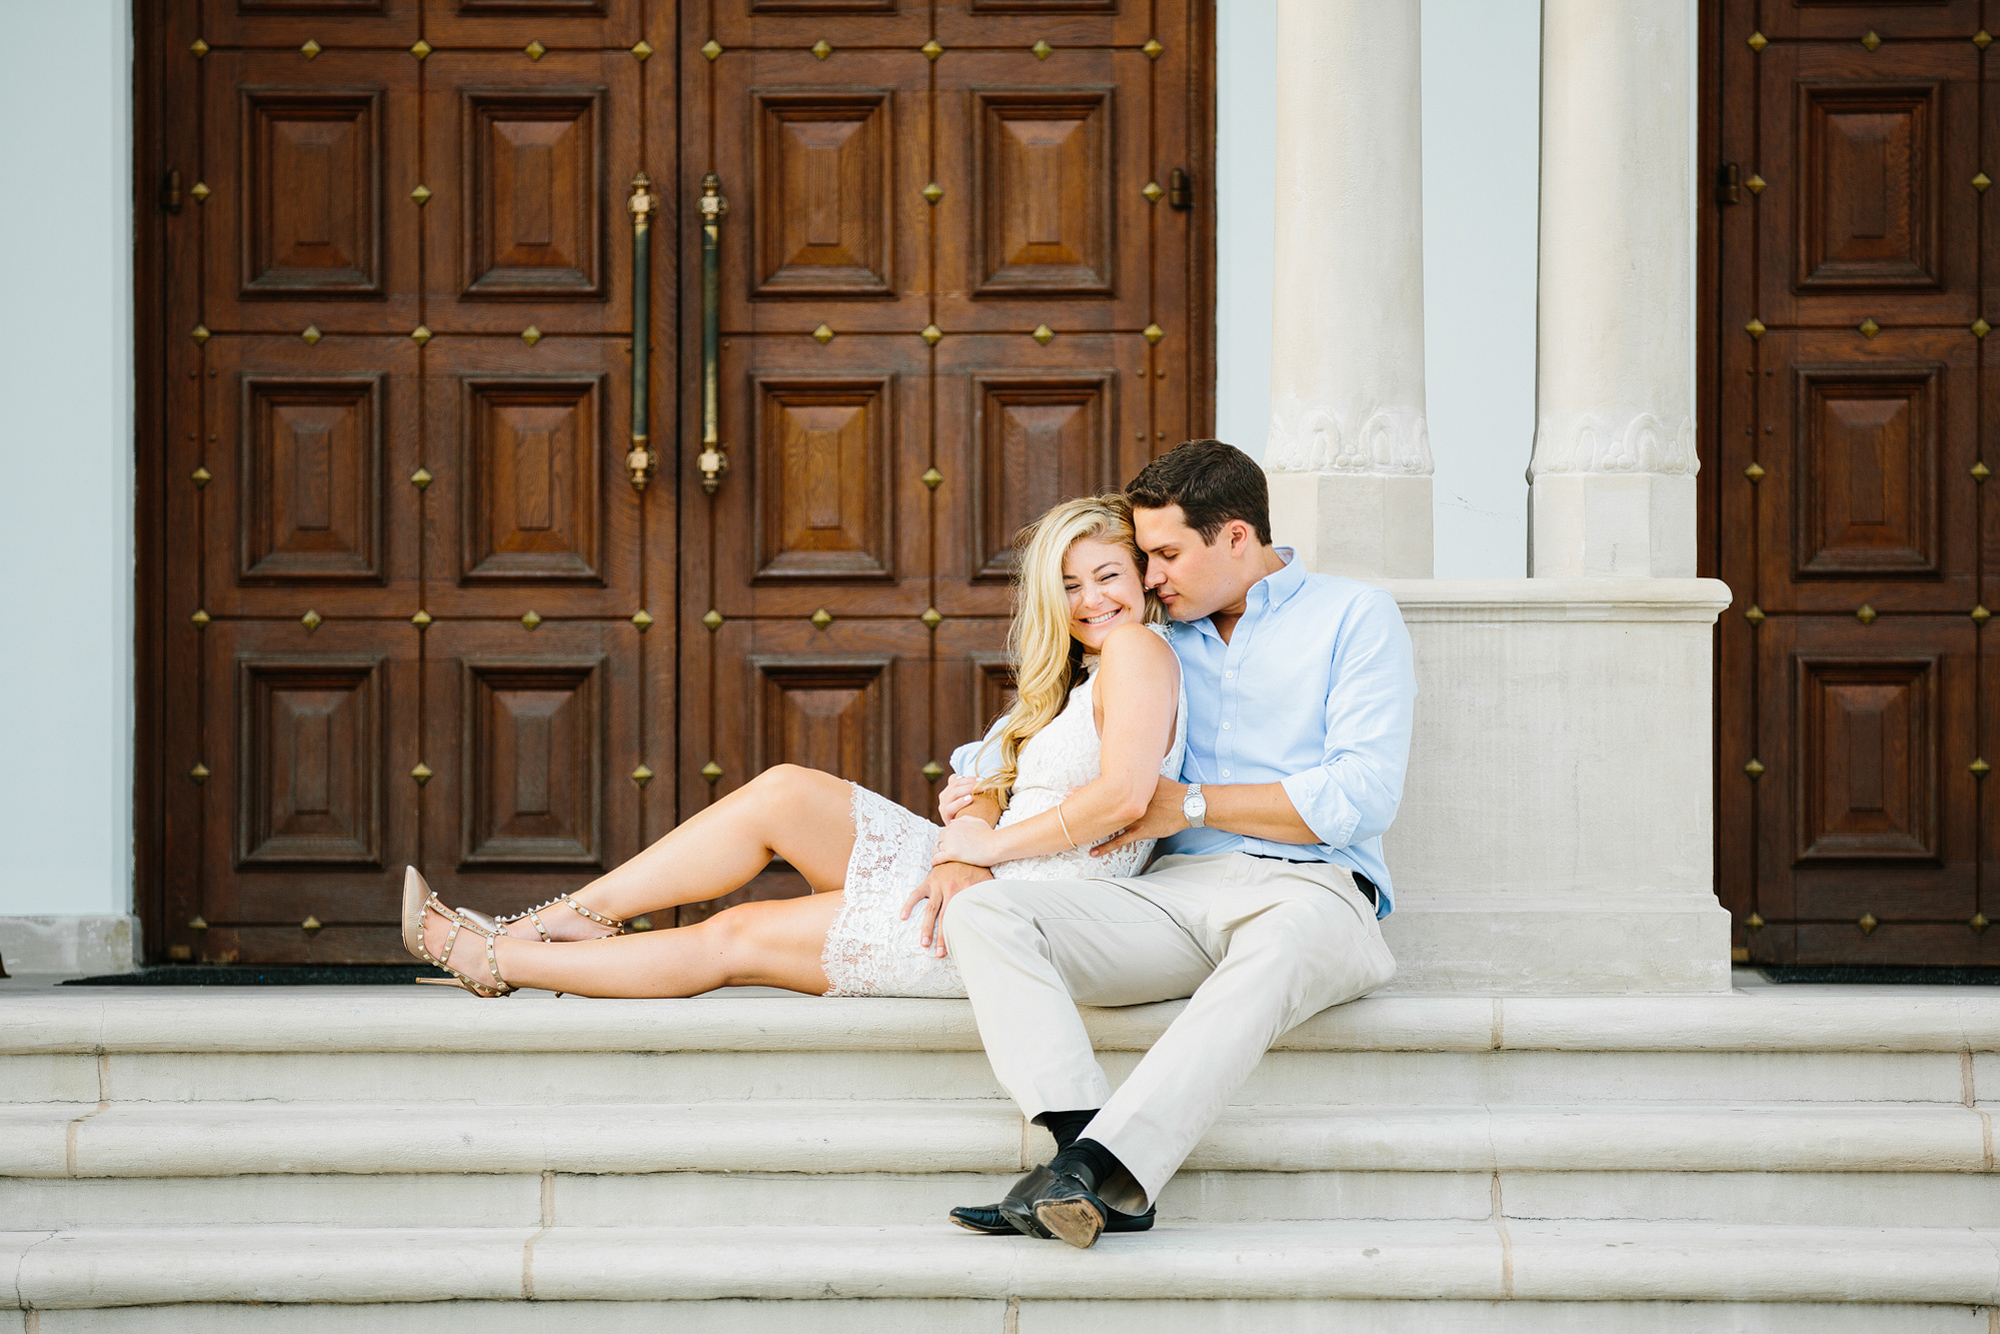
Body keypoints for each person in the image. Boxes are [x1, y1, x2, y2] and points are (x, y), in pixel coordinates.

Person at [398, 494, 1187, 1025]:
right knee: (783, 791)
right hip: (988, 875)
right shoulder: (1084, 671)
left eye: (1108, 576)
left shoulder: (1140, 651)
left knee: (740, 935)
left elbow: (1122, 796)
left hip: (1029, 912)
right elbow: (993, 770)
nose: (1090, 601)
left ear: (1145, 579)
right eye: (1069, 584)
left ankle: (499, 958)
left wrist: (983, 851)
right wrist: (966, 843)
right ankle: (565, 923)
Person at [928, 438, 1414, 1249]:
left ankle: (1113, 1169)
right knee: (988, 914)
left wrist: (1188, 802)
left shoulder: (1353, 615)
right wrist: (964, 839)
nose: (1150, 577)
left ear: (1234, 537)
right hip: (1172, 897)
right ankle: (1076, 1153)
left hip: (1315, 892)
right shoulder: (1152, 636)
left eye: (1165, 554)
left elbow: (1360, 796)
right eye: (1146, 558)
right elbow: (999, 750)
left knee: (1281, 944)